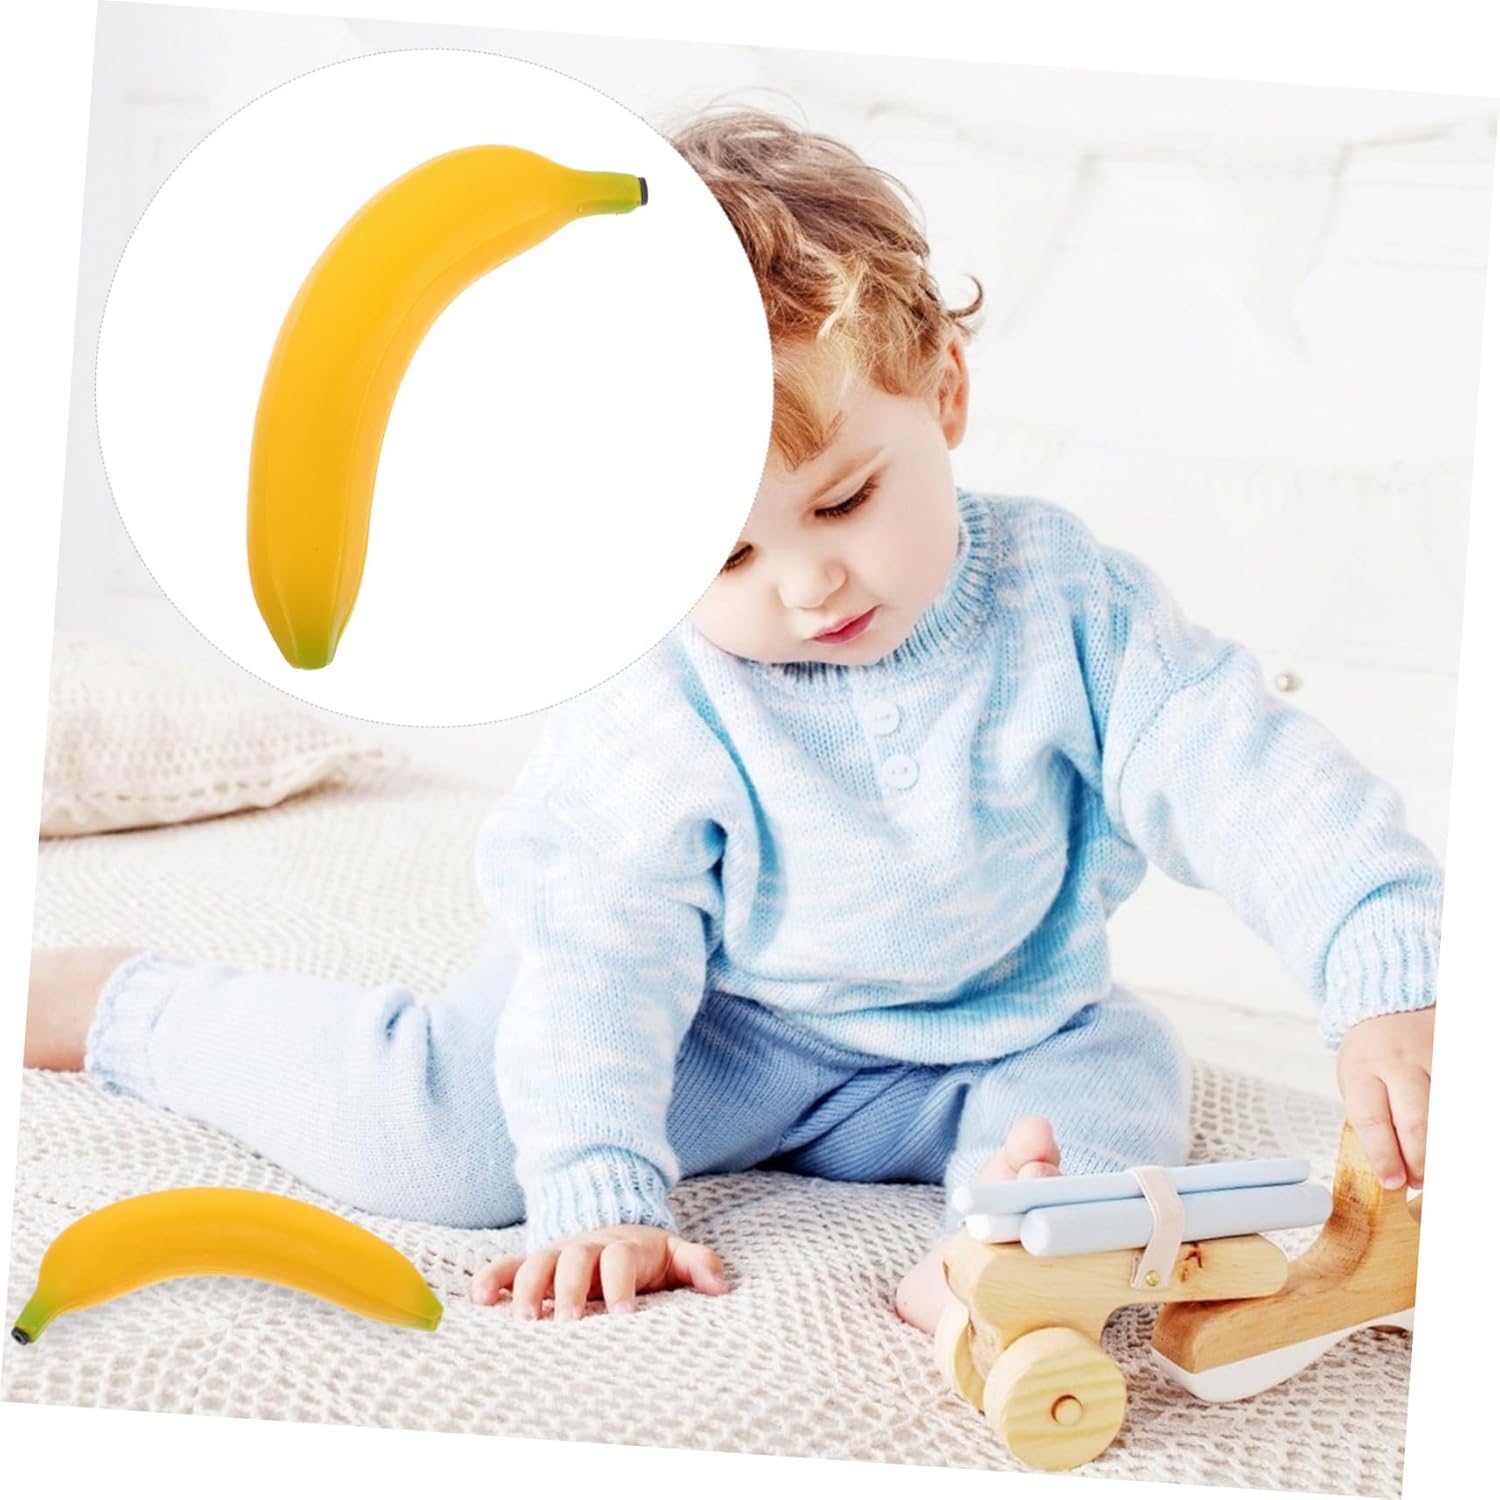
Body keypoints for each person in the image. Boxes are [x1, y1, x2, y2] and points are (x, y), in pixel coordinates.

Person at [25, 109, 1439, 1336]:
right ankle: (131, 1007)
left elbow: (1241, 768)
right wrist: (596, 1184)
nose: (810, 584)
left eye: (845, 500)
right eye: (727, 556)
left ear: (944, 391)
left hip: (995, 1028)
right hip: (716, 1026)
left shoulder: (1068, 604)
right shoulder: (660, 694)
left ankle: (1001, 1258)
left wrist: (1385, 968)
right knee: (440, 1134)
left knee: (1115, 1094)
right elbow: (602, 946)